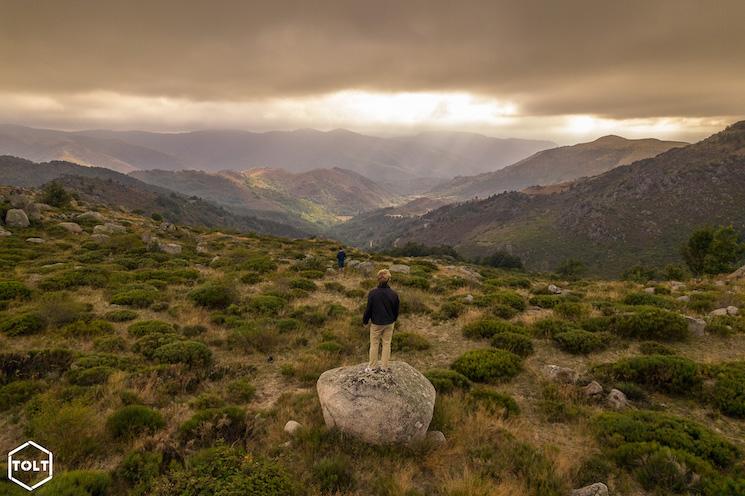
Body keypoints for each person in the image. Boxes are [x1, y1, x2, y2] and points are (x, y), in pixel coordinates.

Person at [362, 268, 399, 372]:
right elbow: (396, 310)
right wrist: (394, 319)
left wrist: (365, 321)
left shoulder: (373, 293)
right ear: (389, 279)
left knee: (374, 344)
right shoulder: (394, 294)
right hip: (389, 322)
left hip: (376, 323)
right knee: (387, 344)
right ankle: (384, 367)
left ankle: (373, 366)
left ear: (378, 279)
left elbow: (368, 309)